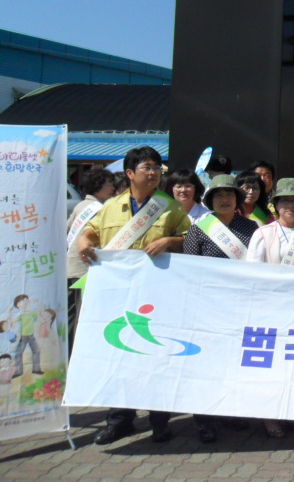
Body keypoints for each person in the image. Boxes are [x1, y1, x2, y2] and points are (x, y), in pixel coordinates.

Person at [76, 146, 190, 445]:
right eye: (147, 168)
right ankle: (119, 420)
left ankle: (160, 421)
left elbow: (192, 240)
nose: (153, 173)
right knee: (119, 356)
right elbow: (89, 232)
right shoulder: (111, 207)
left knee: (157, 356)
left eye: (156, 168)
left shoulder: (170, 207)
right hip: (119, 296)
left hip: (158, 295)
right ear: (130, 174)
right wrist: (84, 243)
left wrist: (169, 240)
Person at [182, 175, 258, 443]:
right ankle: (204, 419)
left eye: (229, 195)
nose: (224, 199)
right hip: (208, 306)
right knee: (206, 364)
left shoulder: (251, 228)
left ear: (237, 199)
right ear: (210, 200)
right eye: (218, 195)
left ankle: (229, 411)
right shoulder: (200, 228)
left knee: (233, 362)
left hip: (241, 305)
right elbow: (190, 269)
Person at [245, 178, 294, 438]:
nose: (291, 205)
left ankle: (291, 412)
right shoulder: (263, 233)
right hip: (271, 309)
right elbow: (253, 274)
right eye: (285, 200)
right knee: (271, 366)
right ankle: (269, 416)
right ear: (275, 205)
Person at [66, 167, 115, 349]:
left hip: (71, 267)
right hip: (84, 269)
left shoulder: (80, 205)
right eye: (109, 184)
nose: (112, 188)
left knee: (72, 315)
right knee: (82, 315)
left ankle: (69, 353)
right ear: (98, 186)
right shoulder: (99, 209)